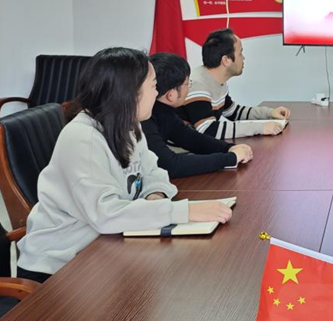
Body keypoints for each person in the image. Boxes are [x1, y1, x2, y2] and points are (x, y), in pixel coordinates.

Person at [17, 48, 234, 281]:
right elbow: (106, 215)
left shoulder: (129, 125)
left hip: (105, 246)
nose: (157, 93)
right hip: (59, 266)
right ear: (129, 93)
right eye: (153, 86)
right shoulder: (83, 139)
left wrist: (156, 196)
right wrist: (184, 211)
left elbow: (154, 171)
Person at [142, 53, 253, 178]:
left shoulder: (164, 111)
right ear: (171, 94)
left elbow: (193, 139)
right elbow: (171, 165)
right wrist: (230, 158)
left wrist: (229, 148)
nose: (189, 88)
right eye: (187, 83)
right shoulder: (144, 119)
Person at [178, 28, 291, 140]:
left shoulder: (216, 80)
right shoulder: (197, 84)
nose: (243, 57)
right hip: (183, 150)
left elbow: (233, 112)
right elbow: (209, 130)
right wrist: (260, 128)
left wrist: (270, 113)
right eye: (240, 53)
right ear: (226, 60)